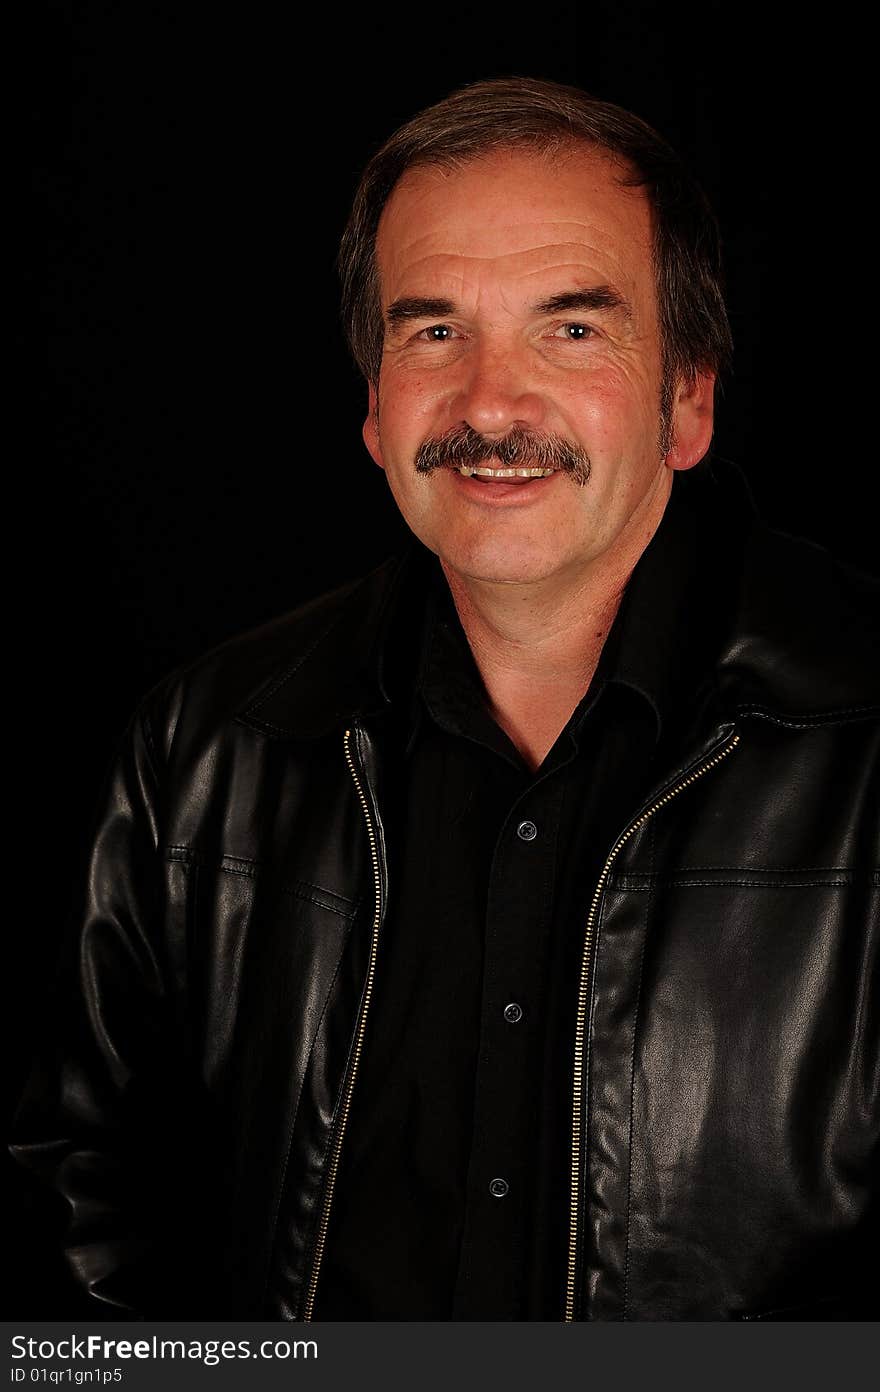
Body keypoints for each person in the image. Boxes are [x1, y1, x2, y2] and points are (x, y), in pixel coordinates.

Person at [10, 77, 878, 1323]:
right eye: (432, 332)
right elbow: (79, 1195)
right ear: (371, 405)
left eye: (570, 330)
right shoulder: (202, 747)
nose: (488, 404)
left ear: (688, 397)